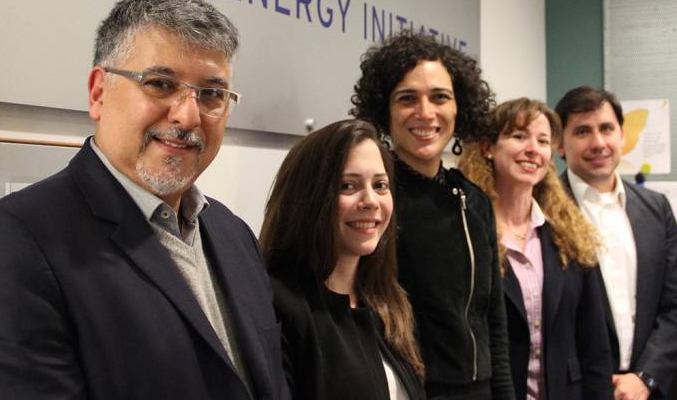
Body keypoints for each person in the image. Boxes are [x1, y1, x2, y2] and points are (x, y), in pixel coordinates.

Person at [0, 0, 289, 400]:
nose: (188, 115)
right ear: (99, 93)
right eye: (160, 83)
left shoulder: (234, 235)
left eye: (211, 94)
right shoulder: (12, 243)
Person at [351, 31, 514, 399]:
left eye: (440, 97)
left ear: (460, 107)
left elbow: (494, 323)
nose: (425, 113)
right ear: (385, 111)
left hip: (479, 390)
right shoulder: (374, 200)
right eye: (407, 99)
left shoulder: (474, 201)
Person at [458, 98, 613, 399]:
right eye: (519, 137)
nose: (533, 149)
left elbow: (595, 344)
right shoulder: (467, 231)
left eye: (542, 141)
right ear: (488, 148)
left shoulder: (569, 234)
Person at [260, 119, 426, 400]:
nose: (371, 201)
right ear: (308, 198)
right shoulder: (278, 306)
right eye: (348, 185)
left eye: (380, 185)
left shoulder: (387, 303)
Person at [556, 86, 677, 400]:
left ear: (622, 135)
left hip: (650, 390)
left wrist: (646, 377)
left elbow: (673, 305)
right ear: (559, 143)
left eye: (606, 129)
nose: (598, 143)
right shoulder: (542, 211)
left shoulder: (657, 209)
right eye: (582, 131)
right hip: (576, 391)